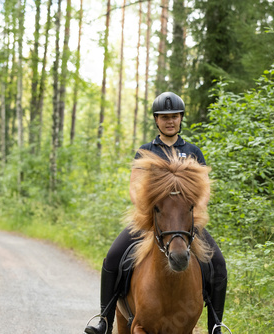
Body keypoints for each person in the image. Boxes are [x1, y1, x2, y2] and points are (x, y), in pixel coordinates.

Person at [85, 92, 227, 334]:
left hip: (185, 223)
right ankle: (105, 320)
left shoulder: (193, 152)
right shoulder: (146, 151)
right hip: (152, 221)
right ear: (156, 120)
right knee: (113, 257)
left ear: (181, 118)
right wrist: (147, 210)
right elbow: (136, 186)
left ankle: (216, 325)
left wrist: (198, 209)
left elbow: (203, 188)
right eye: (164, 117)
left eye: (174, 116)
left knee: (218, 264)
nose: (169, 121)